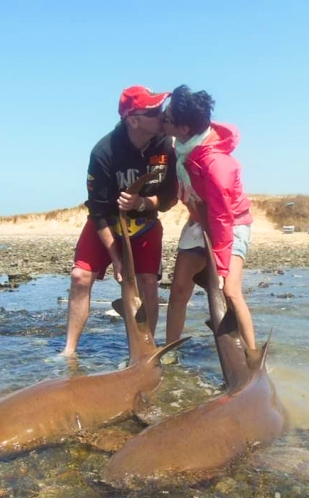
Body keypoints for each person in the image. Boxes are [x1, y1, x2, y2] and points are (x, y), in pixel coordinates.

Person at [62, 86, 178, 356]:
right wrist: (116, 257)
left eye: (160, 110)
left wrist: (144, 202)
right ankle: (68, 351)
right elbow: (98, 211)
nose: (161, 116)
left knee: (148, 282)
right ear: (133, 120)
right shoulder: (104, 152)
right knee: (79, 277)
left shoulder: (165, 146)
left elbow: (171, 196)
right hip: (107, 223)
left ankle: (144, 350)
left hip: (145, 223)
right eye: (153, 112)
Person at [162, 85, 261, 366]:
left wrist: (220, 265)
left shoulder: (216, 165)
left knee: (229, 290)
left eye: (167, 117)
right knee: (179, 287)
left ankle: (253, 358)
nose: (162, 119)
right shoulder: (181, 148)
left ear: (182, 128)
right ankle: (170, 352)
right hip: (198, 219)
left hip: (231, 223)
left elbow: (222, 218)